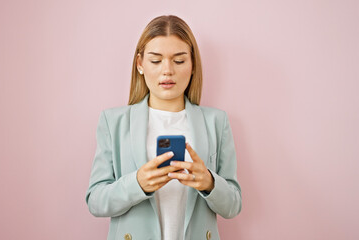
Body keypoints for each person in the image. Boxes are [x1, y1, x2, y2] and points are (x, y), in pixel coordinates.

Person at [85, 15, 242, 240]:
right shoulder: (114, 122)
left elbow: (233, 206)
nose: (167, 70)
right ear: (140, 64)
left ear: (193, 65)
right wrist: (137, 183)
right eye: (156, 60)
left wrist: (209, 182)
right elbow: (96, 201)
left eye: (178, 61)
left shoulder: (216, 122)